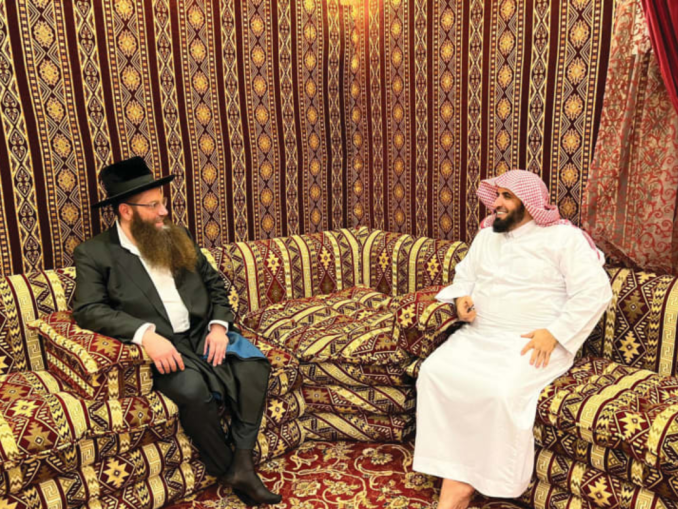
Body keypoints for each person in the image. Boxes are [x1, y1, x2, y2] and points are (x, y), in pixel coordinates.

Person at [73, 157, 281, 506]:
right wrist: (145, 334)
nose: (164, 211)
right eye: (153, 205)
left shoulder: (178, 236)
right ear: (126, 210)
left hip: (202, 334)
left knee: (253, 366)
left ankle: (243, 463)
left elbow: (216, 285)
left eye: (163, 202)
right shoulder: (95, 254)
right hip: (164, 345)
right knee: (191, 389)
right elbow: (89, 310)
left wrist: (218, 327)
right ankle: (228, 468)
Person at [413, 169, 612, 509]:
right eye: (496, 195)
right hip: (478, 336)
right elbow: (465, 276)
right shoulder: (486, 236)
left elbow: (595, 292)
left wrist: (556, 333)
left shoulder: (564, 239)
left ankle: (466, 485)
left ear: (530, 203)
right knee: (434, 373)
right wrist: (461, 299)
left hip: (533, 342)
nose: (497, 203)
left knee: (498, 391)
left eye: (507, 196)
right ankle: (449, 469)